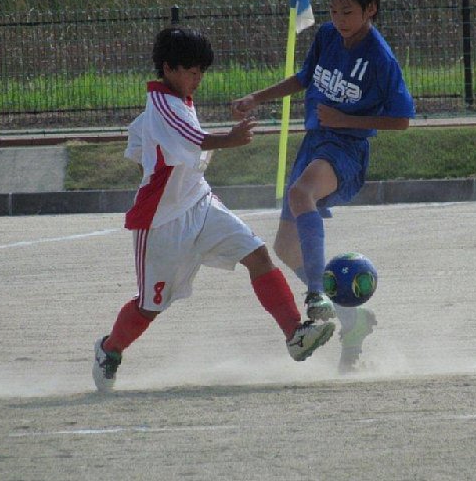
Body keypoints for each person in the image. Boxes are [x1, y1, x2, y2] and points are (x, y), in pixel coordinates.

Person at [92, 27, 335, 392]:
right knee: (150, 306)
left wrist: (153, 161)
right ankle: (109, 349)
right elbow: (193, 139)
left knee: (257, 254)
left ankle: (295, 334)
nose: (198, 79)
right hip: (161, 222)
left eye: (202, 72)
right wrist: (230, 139)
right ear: (168, 68)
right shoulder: (162, 103)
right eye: (192, 72)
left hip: (201, 203)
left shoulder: (176, 100)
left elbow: (139, 141)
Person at [232, 0, 415, 372]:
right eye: (333, 10)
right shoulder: (328, 36)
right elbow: (304, 78)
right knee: (284, 247)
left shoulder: (381, 59)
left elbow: (402, 119)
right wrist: (257, 97)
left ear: (370, 9)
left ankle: (317, 294)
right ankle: (351, 318)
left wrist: (346, 120)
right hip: (315, 144)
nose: (338, 19)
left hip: (346, 149)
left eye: (347, 12)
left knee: (301, 194)